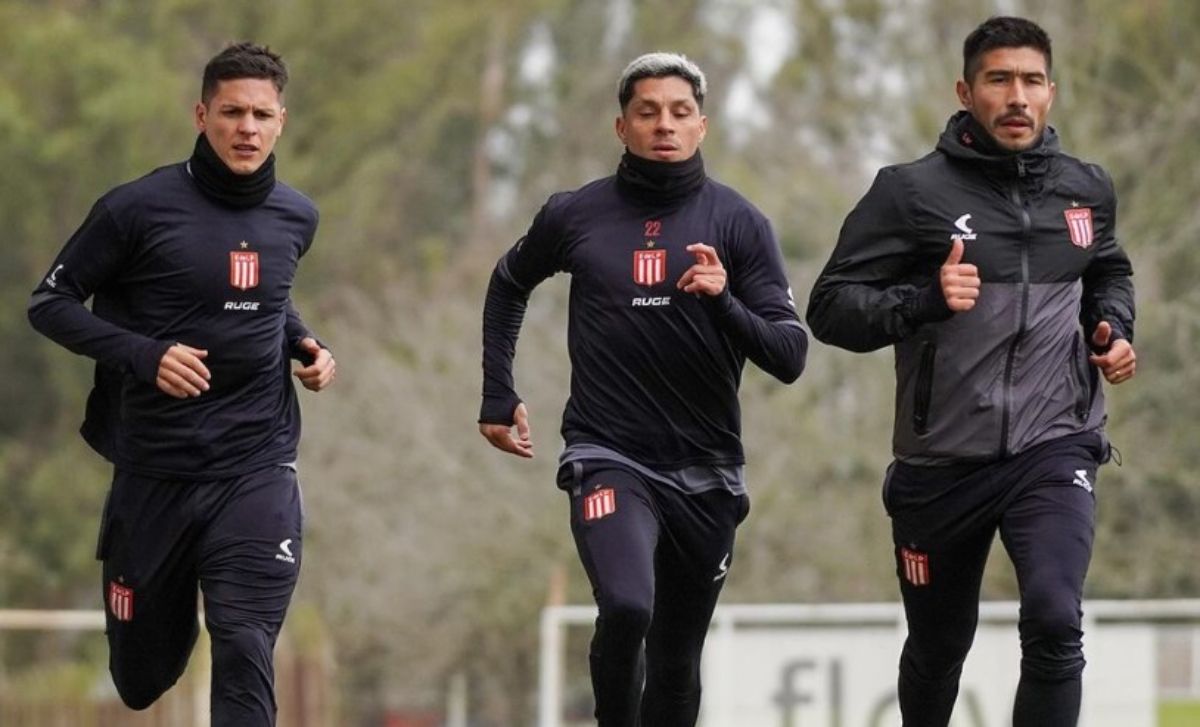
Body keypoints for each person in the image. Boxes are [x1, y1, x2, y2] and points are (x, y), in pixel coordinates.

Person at [806, 16, 1135, 727]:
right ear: (966, 90)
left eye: (1031, 81)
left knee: (1053, 616)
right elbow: (828, 308)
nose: (1017, 96)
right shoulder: (908, 192)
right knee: (937, 645)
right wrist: (924, 300)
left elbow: (1107, 268)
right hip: (941, 463)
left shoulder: (1086, 190)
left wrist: (1113, 326)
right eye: (999, 80)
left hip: (1056, 445)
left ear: (1052, 92)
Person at [480, 52, 807, 726]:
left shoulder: (740, 224)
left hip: (708, 469)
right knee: (627, 604)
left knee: (678, 660)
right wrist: (496, 389)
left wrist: (724, 303)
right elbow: (509, 282)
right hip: (608, 454)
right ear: (621, 126)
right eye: (648, 112)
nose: (665, 124)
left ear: (703, 126)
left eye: (680, 112)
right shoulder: (576, 215)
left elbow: (790, 354)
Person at [28, 42, 334, 726]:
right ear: (202, 114)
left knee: (246, 637)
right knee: (141, 677)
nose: (246, 128)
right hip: (155, 472)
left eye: (261, 114)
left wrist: (306, 343)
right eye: (231, 112)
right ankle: (162, 615)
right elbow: (49, 303)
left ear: (281, 120)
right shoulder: (134, 210)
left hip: (255, 465)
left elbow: (264, 295)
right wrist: (144, 354)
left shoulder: (297, 217)